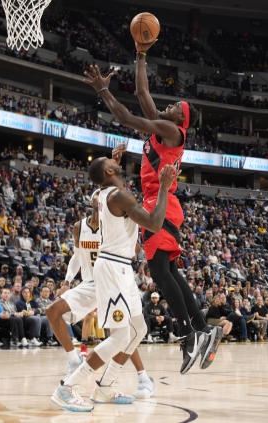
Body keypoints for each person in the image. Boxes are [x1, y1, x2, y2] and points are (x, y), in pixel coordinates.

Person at [83, 60, 221, 374]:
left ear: (181, 119)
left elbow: (125, 117)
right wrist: (141, 55)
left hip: (161, 202)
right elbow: (142, 93)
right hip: (160, 201)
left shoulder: (171, 130)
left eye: (175, 107)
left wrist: (103, 90)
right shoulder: (163, 125)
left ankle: (188, 334)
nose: (168, 106)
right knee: (168, 270)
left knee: (160, 271)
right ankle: (202, 329)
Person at [51, 156, 177, 412]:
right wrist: (164, 187)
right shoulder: (118, 196)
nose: (116, 161)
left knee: (138, 330)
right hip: (112, 267)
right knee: (120, 337)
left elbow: (104, 181)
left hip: (122, 267)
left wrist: (112, 164)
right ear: (109, 171)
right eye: (110, 161)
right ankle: (67, 388)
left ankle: (105, 386)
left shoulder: (106, 193)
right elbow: (154, 224)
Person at [46, 189, 157, 400]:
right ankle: (74, 362)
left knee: (127, 331)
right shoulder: (80, 227)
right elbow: (77, 257)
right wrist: (67, 281)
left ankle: (141, 377)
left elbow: (134, 249)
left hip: (113, 280)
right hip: (92, 282)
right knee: (53, 311)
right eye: (97, 201)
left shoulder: (115, 224)